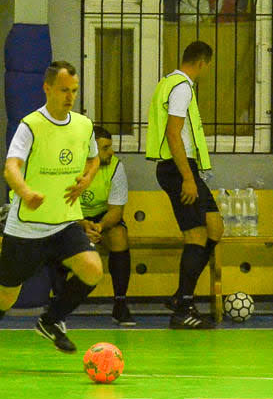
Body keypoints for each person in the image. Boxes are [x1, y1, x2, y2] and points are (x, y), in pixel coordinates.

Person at [0, 61, 103, 366]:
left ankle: (50, 321)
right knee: (7, 295)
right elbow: (11, 166)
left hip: (65, 222)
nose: (70, 96)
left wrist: (88, 178)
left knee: (92, 270)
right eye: (64, 90)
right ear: (47, 88)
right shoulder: (30, 125)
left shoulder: (83, 125)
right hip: (27, 228)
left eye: (74, 91)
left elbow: (94, 159)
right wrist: (26, 192)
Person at [146, 40, 224, 329]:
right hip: (178, 168)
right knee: (197, 234)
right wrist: (189, 178)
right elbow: (173, 134)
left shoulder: (168, 83)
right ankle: (184, 309)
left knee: (215, 227)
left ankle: (180, 295)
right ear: (203, 63)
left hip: (183, 167)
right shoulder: (181, 87)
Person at [77, 125, 135, 326]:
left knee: (119, 235)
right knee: (58, 237)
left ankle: (120, 304)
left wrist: (99, 227)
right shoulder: (70, 167)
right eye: (105, 148)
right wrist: (82, 225)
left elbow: (116, 211)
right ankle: (59, 304)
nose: (111, 152)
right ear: (89, 150)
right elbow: (62, 206)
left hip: (102, 217)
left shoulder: (115, 166)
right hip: (74, 217)